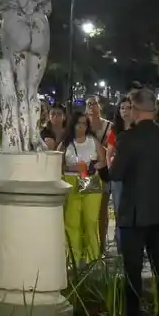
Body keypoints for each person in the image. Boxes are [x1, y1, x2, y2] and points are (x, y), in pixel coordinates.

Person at [110, 88, 159, 316]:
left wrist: (106, 166)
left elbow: (116, 174)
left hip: (135, 212)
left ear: (135, 107)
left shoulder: (128, 139)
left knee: (133, 270)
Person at [58, 111, 106, 266]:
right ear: (72, 124)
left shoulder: (93, 141)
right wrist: (73, 168)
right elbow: (58, 163)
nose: (81, 126)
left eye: (85, 123)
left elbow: (103, 160)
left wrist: (93, 166)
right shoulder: (66, 143)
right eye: (79, 123)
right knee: (72, 222)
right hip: (71, 182)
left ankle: (93, 257)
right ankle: (72, 257)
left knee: (91, 221)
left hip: (90, 181)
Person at [85, 95, 113, 254]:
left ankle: (102, 246)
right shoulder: (83, 125)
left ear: (100, 106)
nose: (91, 107)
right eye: (88, 104)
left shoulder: (108, 127)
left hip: (102, 172)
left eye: (94, 103)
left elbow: (110, 149)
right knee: (88, 210)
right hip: (87, 173)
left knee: (102, 210)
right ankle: (89, 247)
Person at [105, 96, 132, 249]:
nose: (125, 111)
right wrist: (111, 171)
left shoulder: (138, 129)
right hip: (118, 177)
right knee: (119, 210)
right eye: (122, 108)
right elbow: (109, 154)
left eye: (128, 107)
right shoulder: (115, 131)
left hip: (135, 177)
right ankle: (121, 244)